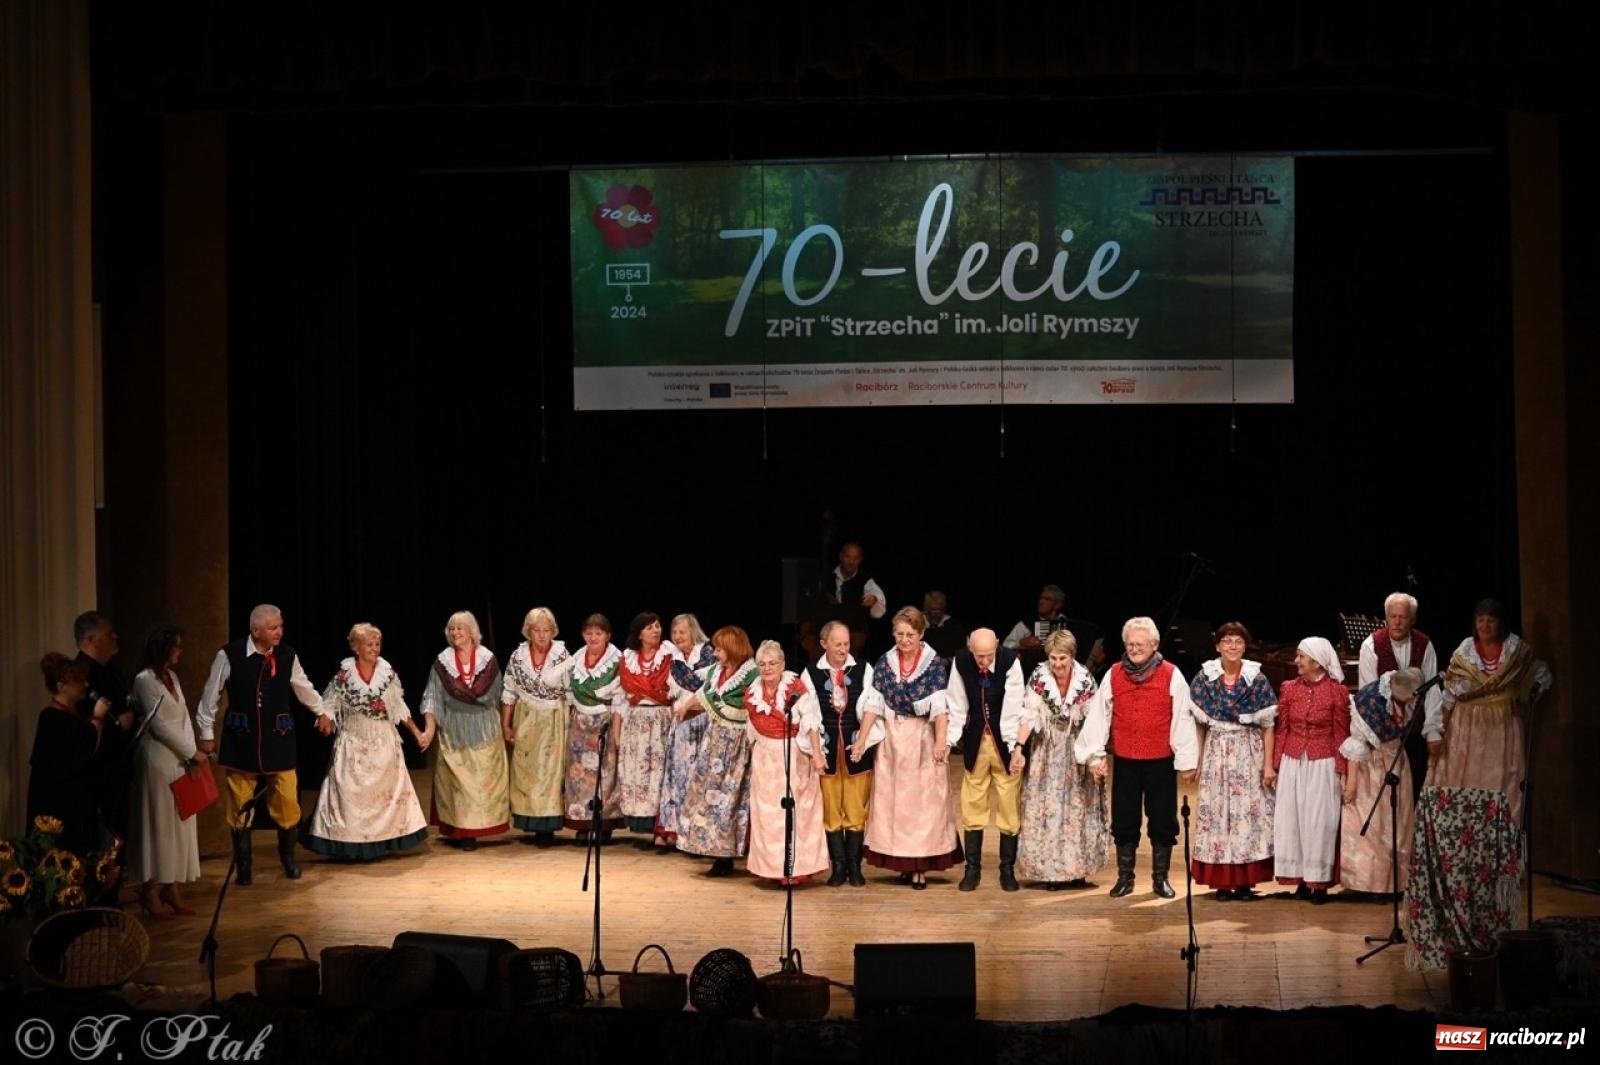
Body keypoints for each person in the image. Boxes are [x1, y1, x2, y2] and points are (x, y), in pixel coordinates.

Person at [197, 604, 333, 884]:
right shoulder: (230, 654)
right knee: (239, 802)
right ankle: (244, 864)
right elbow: (211, 694)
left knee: (286, 799)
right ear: (255, 630)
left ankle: (288, 858)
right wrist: (206, 732)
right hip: (241, 738)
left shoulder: (287, 655)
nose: (279, 632)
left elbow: (302, 686)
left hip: (279, 737)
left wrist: (322, 712)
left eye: (281, 626)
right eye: (273, 628)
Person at [1074, 617, 1200, 899]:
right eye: (1130, 644)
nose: (1134, 649)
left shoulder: (1171, 674)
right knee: (1124, 820)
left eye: (1140, 644)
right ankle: (1125, 878)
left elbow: (1182, 717)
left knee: (1162, 821)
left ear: (1154, 645)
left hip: (1160, 762)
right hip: (1127, 761)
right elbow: (1099, 715)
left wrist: (1187, 761)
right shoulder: (1114, 673)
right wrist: (1094, 754)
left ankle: (1160, 879)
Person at [302, 623, 429, 860]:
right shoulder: (344, 675)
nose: (374, 649)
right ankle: (350, 845)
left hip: (383, 741)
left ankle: (383, 843)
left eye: (377, 644)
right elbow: (330, 703)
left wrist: (416, 731)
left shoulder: (387, 674)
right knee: (351, 795)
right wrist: (326, 720)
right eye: (369, 644)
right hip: (354, 742)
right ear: (356, 647)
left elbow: (398, 706)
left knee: (384, 797)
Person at [1431, 598, 1553, 827]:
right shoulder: (1465, 652)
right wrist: (1441, 730)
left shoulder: (1515, 651)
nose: (1485, 625)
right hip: (1467, 727)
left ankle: (1501, 845)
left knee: (1502, 780)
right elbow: (1449, 693)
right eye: (1481, 620)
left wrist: (1524, 698)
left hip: (1502, 725)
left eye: (1491, 620)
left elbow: (1540, 675)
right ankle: (1468, 840)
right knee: (1467, 782)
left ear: (1501, 623)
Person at [863, 607, 960, 889]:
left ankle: (920, 866)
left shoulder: (933, 664)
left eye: (910, 635)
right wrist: (862, 739)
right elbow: (874, 702)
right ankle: (900, 861)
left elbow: (941, 706)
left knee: (923, 804)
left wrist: (941, 741)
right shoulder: (886, 661)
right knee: (894, 803)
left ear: (921, 634)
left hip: (922, 737)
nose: (904, 640)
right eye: (900, 634)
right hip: (892, 739)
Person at [1187, 622, 1277, 900]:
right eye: (1227, 641)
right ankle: (1222, 882)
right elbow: (1199, 724)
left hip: (1248, 752)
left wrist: (1268, 764)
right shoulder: (1205, 677)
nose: (1233, 646)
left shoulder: (1256, 678)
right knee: (1218, 814)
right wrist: (1198, 760)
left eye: (1238, 641)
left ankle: (1245, 882)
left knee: (1246, 815)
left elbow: (1268, 724)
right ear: (1218, 646)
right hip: (1217, 751)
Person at [1015, 628, 1107, 890]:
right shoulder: (1039, 677)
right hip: (1048, 748)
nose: (1057, 664)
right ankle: (1051, 872)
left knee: (1078, 808)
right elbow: (1029, 715)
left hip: (1077, 748)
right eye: (1053, 658)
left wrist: (1096, 757)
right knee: (1049, 808)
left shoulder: (1085, 680)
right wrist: (1019, 747)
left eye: (1062, 659)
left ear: (1072, 657)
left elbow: (1094, 720)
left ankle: (1077, 870)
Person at [128, 624, 203, 917]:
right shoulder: (144, 680)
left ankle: (170, 887)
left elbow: (183, 717)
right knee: (157, 821)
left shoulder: (171, 677)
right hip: (157, 759)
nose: (180, 652)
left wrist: (192, 754)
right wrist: (191, 752)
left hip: (179, 760)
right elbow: (158, 725)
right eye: (176, 647)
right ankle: (149, 890)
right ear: (163, 648)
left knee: (178, 822)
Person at [798, 619, 880, 887]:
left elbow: (872, 705)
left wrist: (862, 741)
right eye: (838, 644)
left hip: (857, 748)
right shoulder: (811, 673)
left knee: (856, 808)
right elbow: (809, 715)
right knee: (832, 809)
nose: (843, 649)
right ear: (824, 644)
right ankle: (839, 866)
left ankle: (855, 867)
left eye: (846, 644)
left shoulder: (863, 669)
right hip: (828, 749)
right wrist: (817, 753)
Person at [418, 610, 508, 851]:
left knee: (481, 784)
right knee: (458, 785)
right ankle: (462, 831)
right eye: (452, 628)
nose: (455, 632)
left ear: (472, 631)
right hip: (454, 729)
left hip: (484, 729)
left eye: (460, 628)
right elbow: (432, 699)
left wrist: (508, 725)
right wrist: (428, 730)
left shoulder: (488, 661)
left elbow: (500, 695)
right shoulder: (442, 663)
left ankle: (479, 828)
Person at [1271, 636, 1352, 903]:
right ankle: (1300, 881)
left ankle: (1319, 883)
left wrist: (1342, 770)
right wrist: (1275, 765)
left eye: (1301, 657)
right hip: (1294, 760)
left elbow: (1341, 734)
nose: (1297, 661)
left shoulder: (1337, 692)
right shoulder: (1289, 688)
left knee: (1319, 821)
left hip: (1323, 762)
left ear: (1316, 661)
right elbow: (1282, 728)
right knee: (1292, 820)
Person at [946, 627, 1027, 892]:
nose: (983, 661)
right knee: (972, 804)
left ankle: (1007, 870)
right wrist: (948, 741)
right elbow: (957, 705)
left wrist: (1014, 746)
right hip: (975, 743)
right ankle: (973, 869)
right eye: (979, 656)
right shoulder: (960, 661)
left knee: (1009, 805)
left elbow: (1014, 707)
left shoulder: (1009, 661)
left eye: (988, 655)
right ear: (971, 650)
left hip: (1003, 744)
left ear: (998, 646)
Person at [673, 625, 759, 875]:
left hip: (738, 745)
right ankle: (712, 850)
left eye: (720, 649)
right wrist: (685, 707)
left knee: (732, 800)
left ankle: (731, 854)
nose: (716, 653)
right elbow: (703, 694)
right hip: (714, 743)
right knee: (705, 794)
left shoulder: (750, 674)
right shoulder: (716, 671)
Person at [744, 640, 829, 883]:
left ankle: (797, 870)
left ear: (782, 664)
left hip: (794, 754)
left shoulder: (795, 687)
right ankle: (771, 869)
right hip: (765, 757)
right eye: (762, 664)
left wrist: (817, 754)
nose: (767, 668)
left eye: (772, 663)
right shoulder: (752, 692)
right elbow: (751, 729)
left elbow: (811, 721)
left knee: (796, 812)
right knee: (768, 815)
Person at [1339, 666, 1423, 897]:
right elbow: (1357, 743)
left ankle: (1395, 883)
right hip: (1371, 766)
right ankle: (1367, 884)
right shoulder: (1370, 700)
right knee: (1371, 823)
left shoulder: (1405, 698)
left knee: (1397, 821)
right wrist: (1352, 783)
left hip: (1396, 760)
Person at [1357, 593, 1442, 801]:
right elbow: (1368, 693)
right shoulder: (1371, 645)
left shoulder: (1424, 644)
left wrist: (1433, 732)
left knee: (1415, 789)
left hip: (1415, 731)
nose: (1396, 622)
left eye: (1402, 617)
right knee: (1388, 796)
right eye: (1392, 616)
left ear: (1412, 619)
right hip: (1386, 735)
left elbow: (1432, 689)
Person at [500, 607, 572, 844]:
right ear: (528, 632)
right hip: (527, 719)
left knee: (550, 774)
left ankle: (547, 827)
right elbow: (509, 692)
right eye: (537, 630)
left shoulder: (561, 655)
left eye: (546, 630)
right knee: (527, 773)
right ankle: (529, 821)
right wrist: (506, 725)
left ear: (553, 631)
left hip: (553, 719)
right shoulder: (517, 656)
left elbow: (572, 692)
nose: (542, 635)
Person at [28, 653, 112, 855]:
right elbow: (85, 748)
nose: (84, 684)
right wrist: (98, 717)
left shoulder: (70, 714)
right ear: (61, 686)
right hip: (59, 803)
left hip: (76, 799)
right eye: (78, 681)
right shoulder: (51, 717)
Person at [617, 612, 683, 842]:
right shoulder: (628, 658)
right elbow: (622, 697)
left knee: (661, 774)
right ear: (639, 634)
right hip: (636, 721)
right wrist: (618, 730)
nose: (656, 630)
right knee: (640, 774)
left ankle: (661, 829)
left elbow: (676, 689)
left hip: (661, 719)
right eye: (649, 627)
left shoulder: (668, 654)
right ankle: (643, 825)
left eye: (657, 625)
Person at [73, 611, 136, 847]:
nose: (116, 636)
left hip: (118, 767)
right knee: (103, 839)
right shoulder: (79, 674)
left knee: (119, 834)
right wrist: (116, 723)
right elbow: (80, 723)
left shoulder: (112, 670)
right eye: (109, 634)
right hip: (98, 772)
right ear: (92, 641)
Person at [655, 613, 716, 845]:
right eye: (675, 633)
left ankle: (697, 831)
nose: (678, 636)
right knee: (678, 777)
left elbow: (711, 690)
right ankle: (675, 829)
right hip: (681, 726)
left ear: (693, 631)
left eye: (682, 632)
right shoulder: (675, 661)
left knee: (699, 777)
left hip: (703, 723)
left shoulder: (709, 655)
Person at [563, 614, 625, 838]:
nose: (593, 637)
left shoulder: (617, 659)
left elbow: (621, 695)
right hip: (580, 723)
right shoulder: (576, 658)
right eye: (588, 633)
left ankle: (603, 824)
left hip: (604, 721)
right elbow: (569, 691)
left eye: (598, 633)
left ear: (607, 635)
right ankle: (582, 823)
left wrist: (616, 726)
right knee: (578, 776)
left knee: (604, 774)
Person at [1003, 585, 1105, 676]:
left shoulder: (1072, 626)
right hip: (1033, 680)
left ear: (1058, 605)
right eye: (1041, 598)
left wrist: (1097, 663)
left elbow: (1085, 666)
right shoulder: (1026, 625)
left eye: (1047, 599)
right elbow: (1004, 648)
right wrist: (1020, 642)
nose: (1041, 601)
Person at [921, 590, 965, 662]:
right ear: (925, 608)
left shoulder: (954, 627)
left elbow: (960, 654)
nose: (935, 614)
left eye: (939, 610)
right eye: (932, 609)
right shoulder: (914, 624)